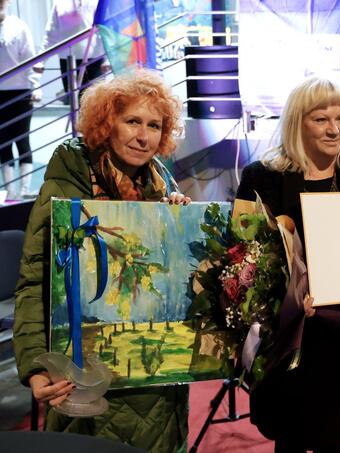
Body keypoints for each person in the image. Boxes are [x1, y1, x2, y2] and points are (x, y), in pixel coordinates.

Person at [13, 69, 190, 453]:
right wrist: (36, 364)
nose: (143, 137)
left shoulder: (161, 181)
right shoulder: (73, 173)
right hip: (86, 373)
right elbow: (37, 277)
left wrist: (180, 228)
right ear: (107, 123)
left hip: (159, 378)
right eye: (132, 121)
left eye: (154, 126)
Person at [236, 76, 340, 453]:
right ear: (297, 123)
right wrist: (287, 298)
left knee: (333, 439)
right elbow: (243, 261)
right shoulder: (261, 178)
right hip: (286, 338)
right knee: (287, 438)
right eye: (321, 119)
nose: (334, 129)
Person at [0, 0, 41, 199]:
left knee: (22, 140)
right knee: (3, 143)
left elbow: (30, 59)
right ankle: (10, 191)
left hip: (21, 91)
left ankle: (24, 190)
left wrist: (36, 85)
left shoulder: (18, 26)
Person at [38, 0, 107, 100]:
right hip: (67, 61)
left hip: (94, 60)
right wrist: (41, 61)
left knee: (96, 101)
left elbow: (105, 29)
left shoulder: (97, 2)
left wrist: (108, 59)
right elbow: (51, 34)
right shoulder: (59, 3)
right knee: (75, 102)